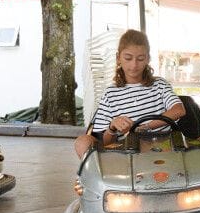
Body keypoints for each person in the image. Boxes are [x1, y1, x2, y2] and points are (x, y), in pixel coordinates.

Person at [75, 29, 185, 158]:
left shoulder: (160, 85)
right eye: (128, 58)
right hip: (127, 153)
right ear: (118, 58)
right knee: (82, 142)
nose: (134, 65)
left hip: (163, 148)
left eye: (140, 59)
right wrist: (112, 127)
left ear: (148, 59)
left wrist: (145, 127)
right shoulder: (110, 94)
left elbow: (179, 110)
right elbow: (104, 142)